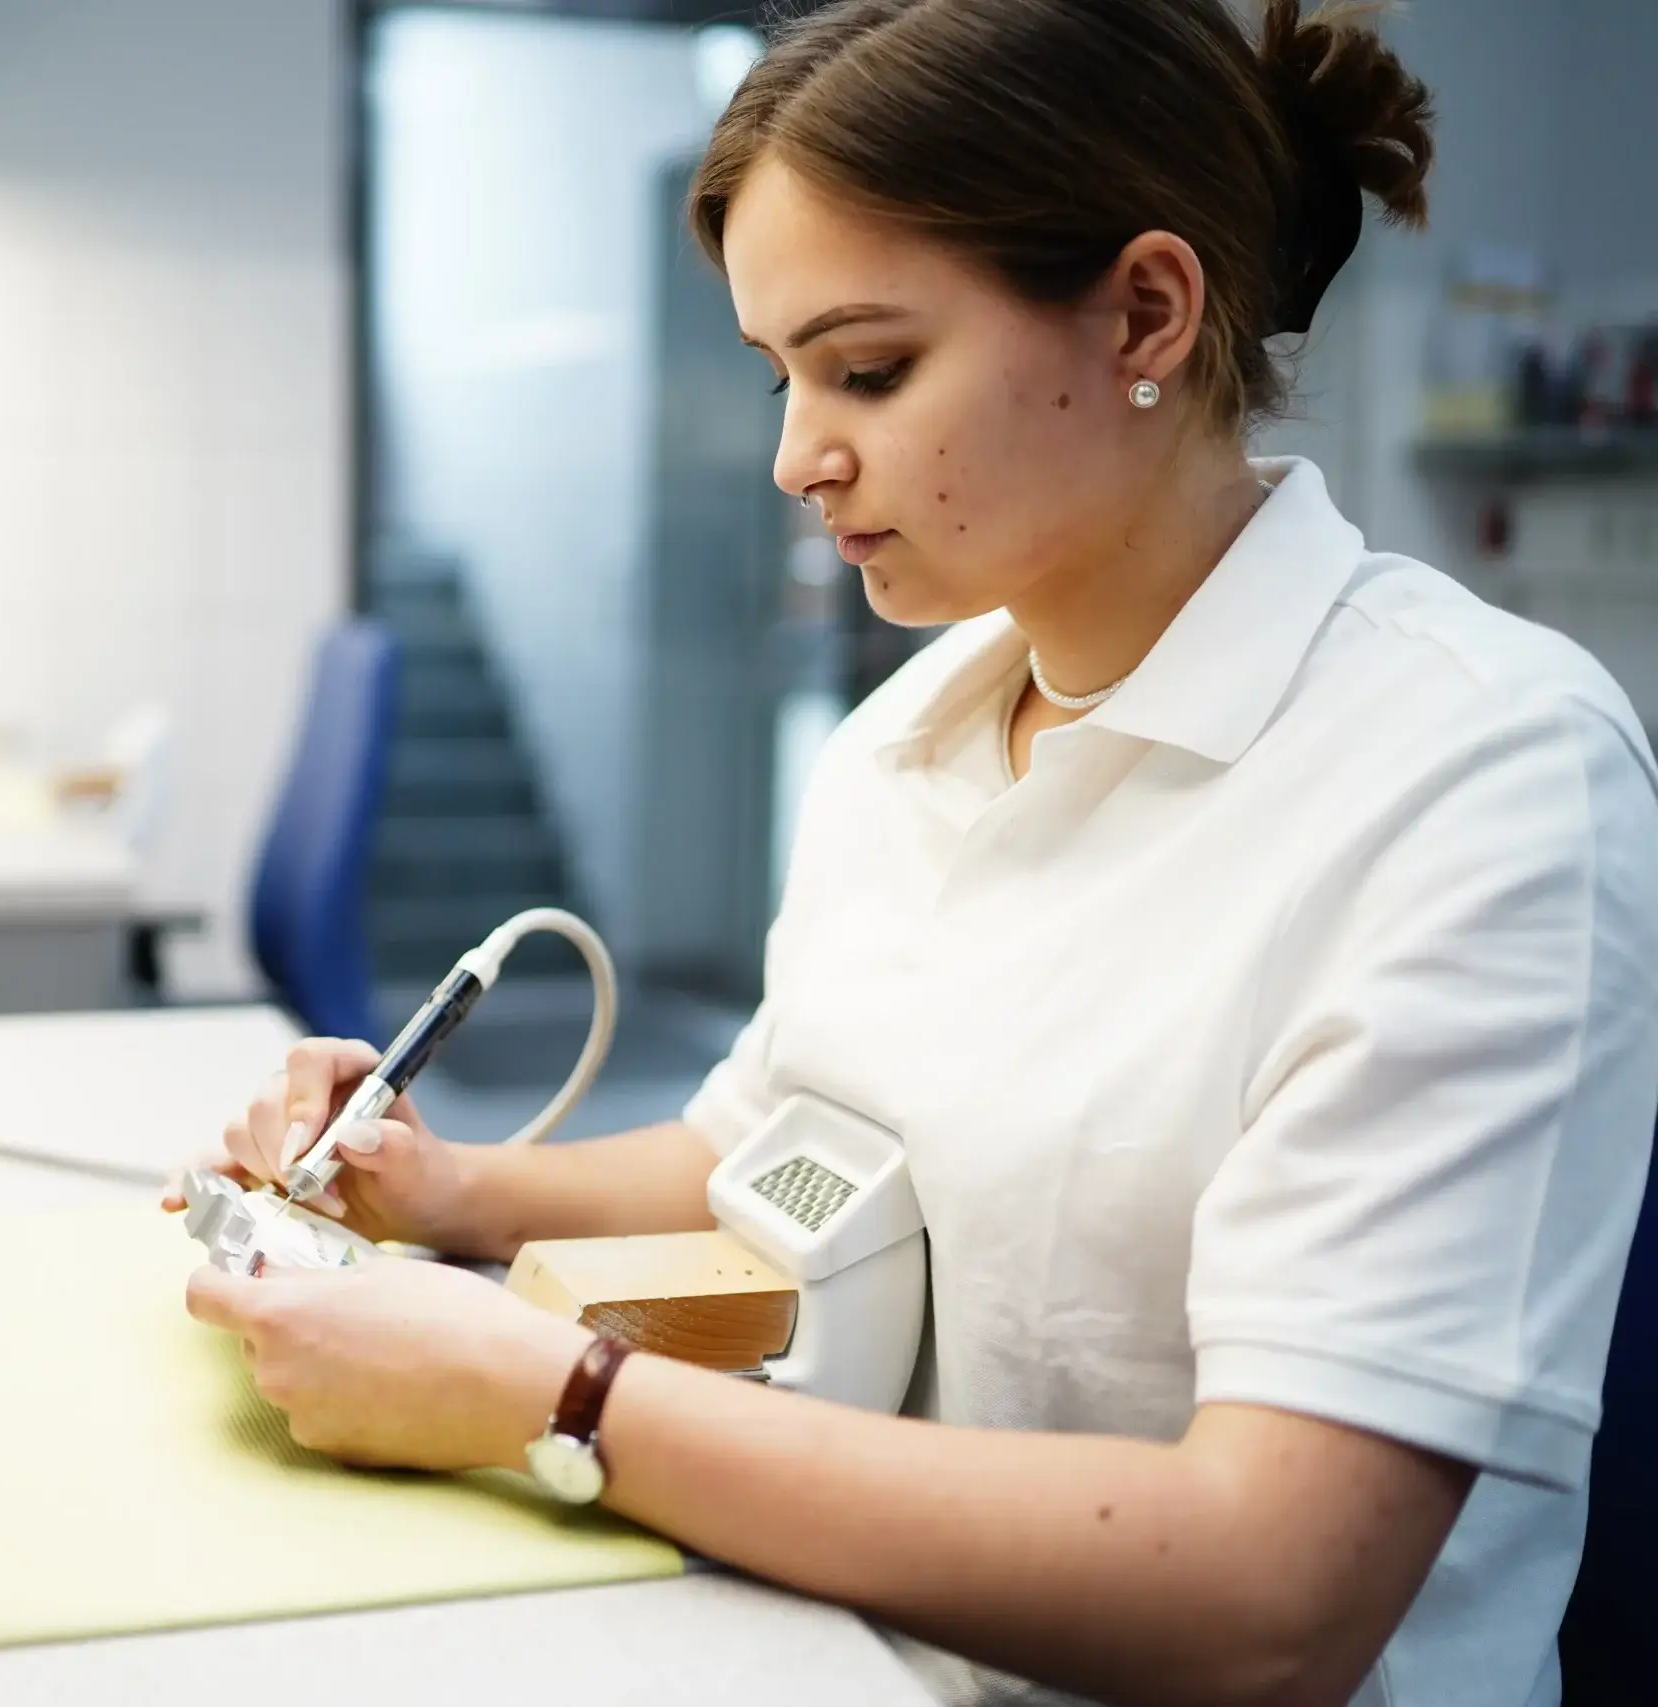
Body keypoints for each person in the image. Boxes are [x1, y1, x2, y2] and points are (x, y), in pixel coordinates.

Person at [171, 3, 1658, 1702]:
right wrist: (449, 1192)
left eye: (867, 369)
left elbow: (1275, 1595)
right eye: (783, 375)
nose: (803, 455)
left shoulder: (1479, 774)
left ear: (1146, 314)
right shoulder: (919, 727)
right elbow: (763, 1144)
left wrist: (553, 1392)